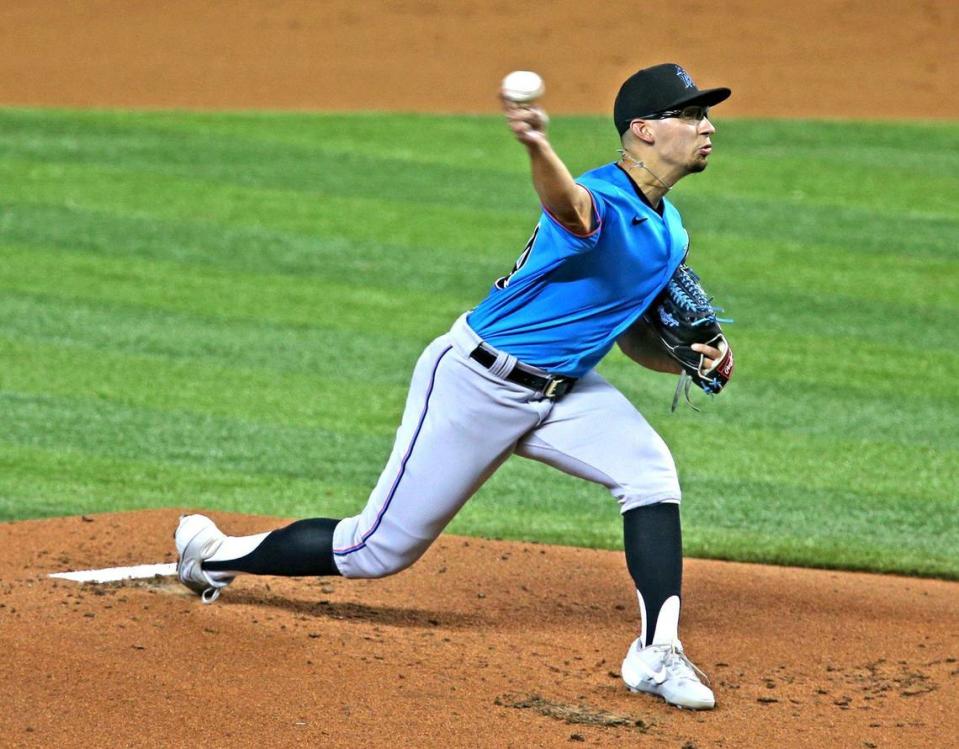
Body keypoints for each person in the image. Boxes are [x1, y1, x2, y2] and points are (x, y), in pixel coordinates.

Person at [175, 62, 732, 711]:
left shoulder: (669, 229)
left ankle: (655, 650)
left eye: (704, 114)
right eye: (689, 115)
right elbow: (568, 208)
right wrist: (535, 144)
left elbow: (631, 334)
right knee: (372, 549)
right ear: (642, 129)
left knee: (650, 474)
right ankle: (211, 553)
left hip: (563, 392)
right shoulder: (598, 197)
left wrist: (691, 362)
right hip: (475, 381)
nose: (706, 126)